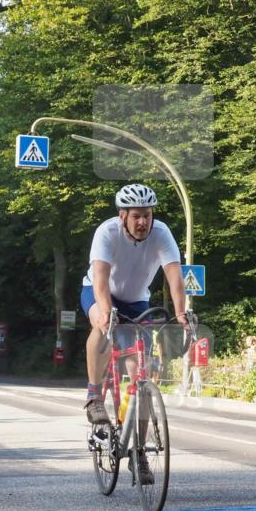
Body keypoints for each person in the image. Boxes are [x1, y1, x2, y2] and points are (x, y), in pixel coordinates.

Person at [81, 183, 190, 482]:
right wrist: (106, 312)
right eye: (136, 216)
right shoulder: (107, 232)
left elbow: (175, 278)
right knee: (101, 324)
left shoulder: (162, 233)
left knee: (140, 374)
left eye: (147, 215)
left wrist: (181, 314)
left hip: (137, 300)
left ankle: (138, 452)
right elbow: (100, 279)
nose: (143, 222)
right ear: (123, 216)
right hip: (99, 292)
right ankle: (94, 395)